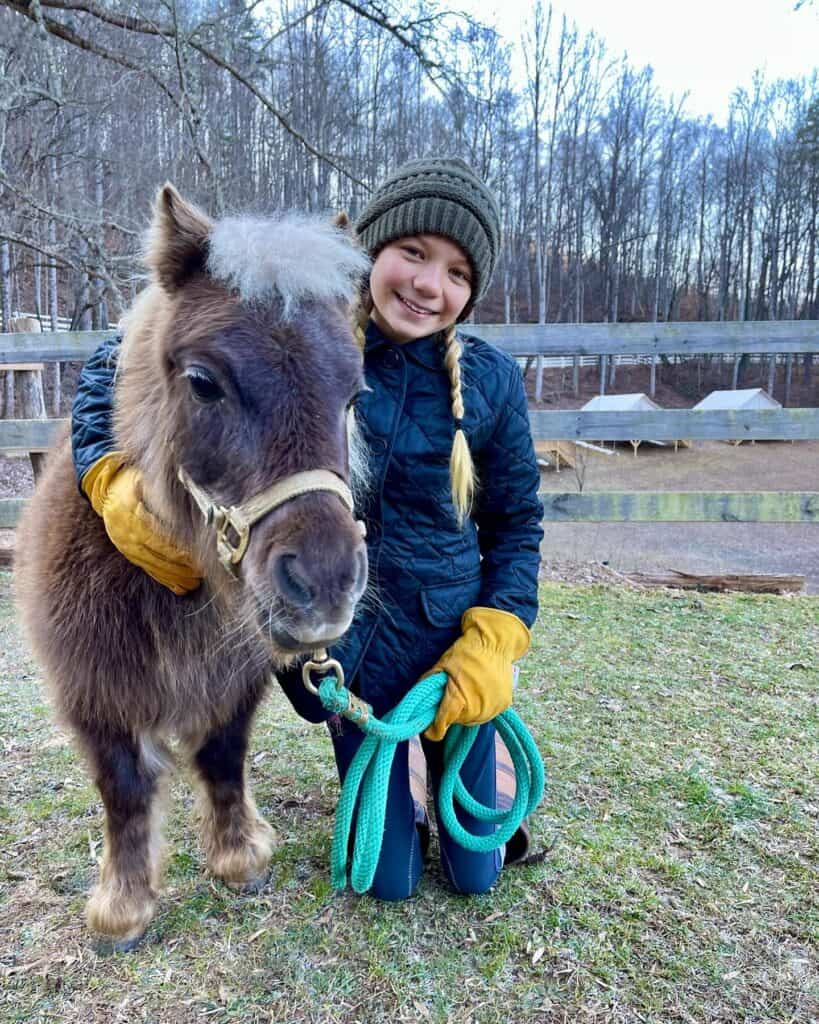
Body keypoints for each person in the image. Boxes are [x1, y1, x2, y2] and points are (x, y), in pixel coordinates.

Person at [71, 157, 544, 901]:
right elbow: (121, 352)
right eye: (412, 254)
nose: (428, 284)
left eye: (456, 272)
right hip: (358, 652)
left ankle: (465, 750)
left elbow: (518, 522)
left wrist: (497, 637)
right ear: (368, 260)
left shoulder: (488, 381)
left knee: (477, 874)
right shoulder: (311, 330)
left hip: (453, 643)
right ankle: (406, 760)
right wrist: (103, 468)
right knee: (386, 881)